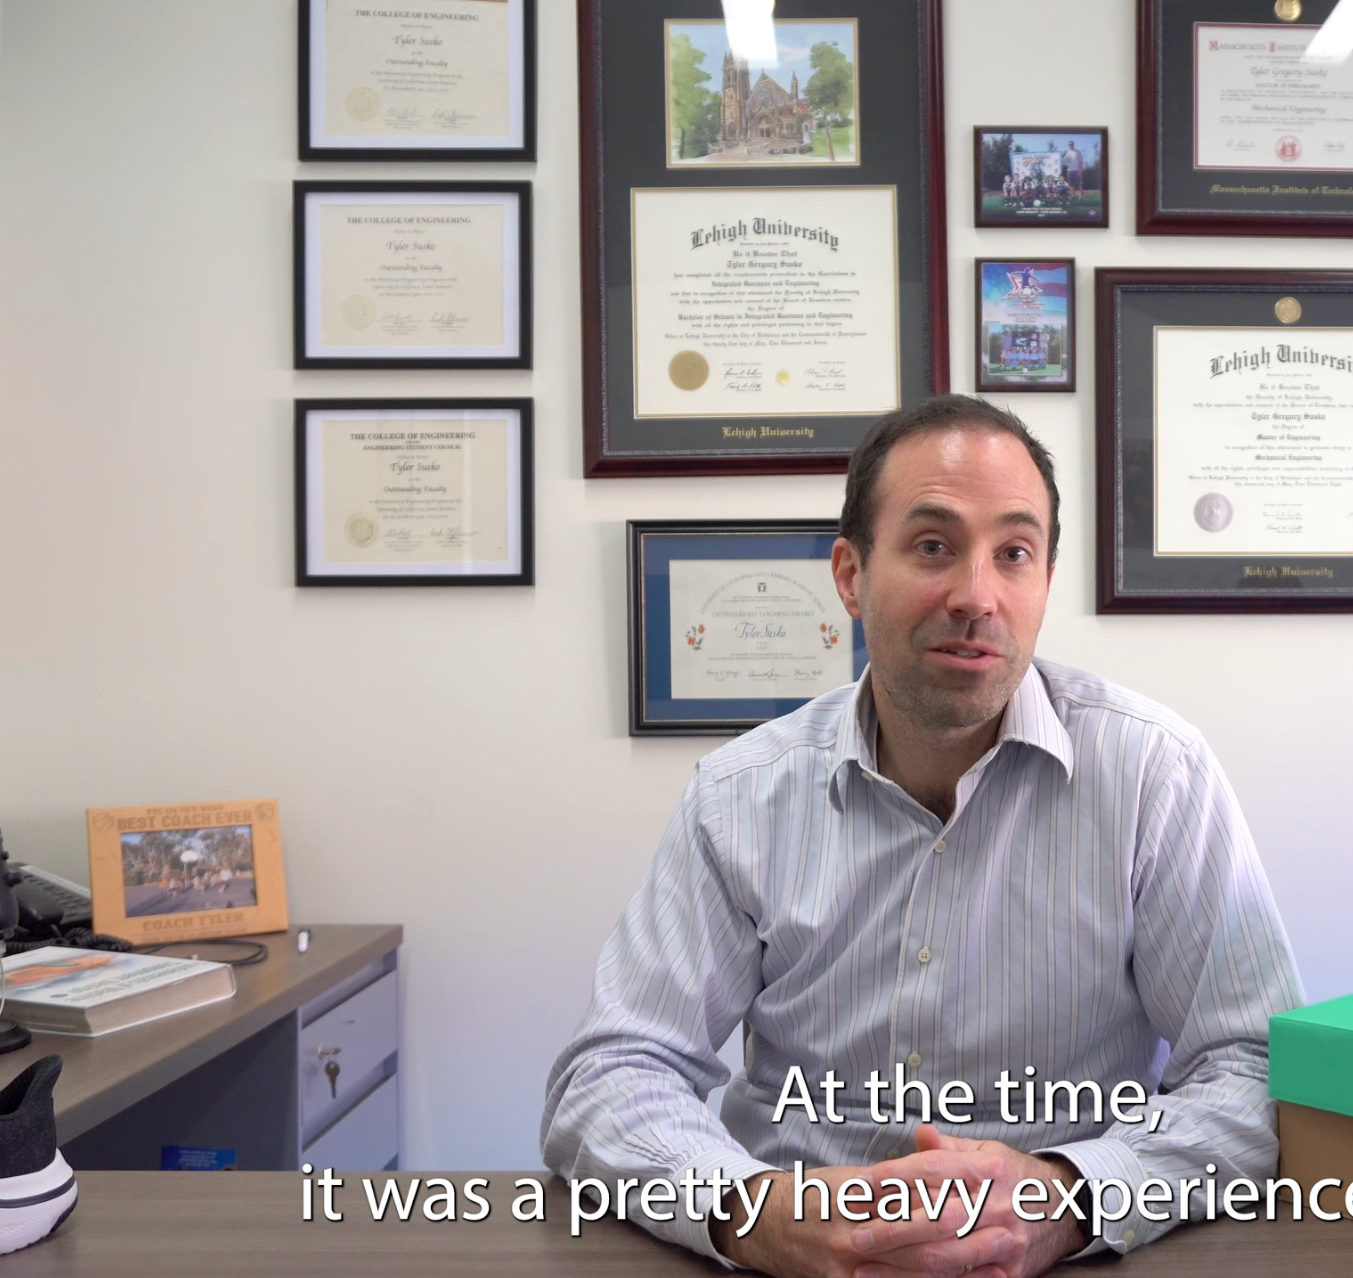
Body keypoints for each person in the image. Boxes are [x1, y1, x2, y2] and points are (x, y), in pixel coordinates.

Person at [543, 395, 1303, 1278]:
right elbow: (611, 1071)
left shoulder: (1155, 777)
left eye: (1014, 554)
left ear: (1045, 582)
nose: (977, 597)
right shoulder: (740, 797)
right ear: (851, 574)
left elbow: (1254, 1068)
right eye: (934, 546)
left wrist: (1076, 1195)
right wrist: (750, 1210)